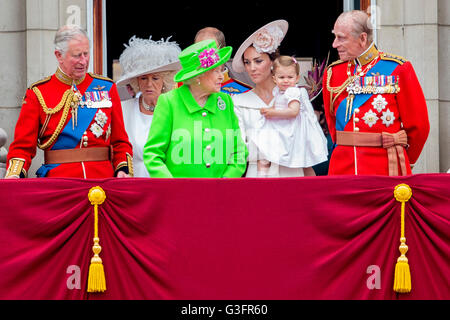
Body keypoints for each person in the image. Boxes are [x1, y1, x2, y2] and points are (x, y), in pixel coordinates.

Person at [5, 25, 133, 179]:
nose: (84, 61)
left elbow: (120, 142)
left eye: (86, 54)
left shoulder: (107, 88)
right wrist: (14, 175)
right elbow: (22, 147)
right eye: (77, 55)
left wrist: (123, 170)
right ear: (59, 56)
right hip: (59, 182)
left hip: (102, 179)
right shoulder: (38, 93)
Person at [323, 10, 430, 176]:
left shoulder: (397, 69)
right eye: (335, 36)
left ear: (363, 38)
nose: (334, 44)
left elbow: (418, 127)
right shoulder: (333, 73)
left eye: (341, 38)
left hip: (385, 167)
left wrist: (405, 159)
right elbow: (333, 125)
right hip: (342, 168)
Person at [143, 39, 248, 178]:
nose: (221, 76)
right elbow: (153, 155)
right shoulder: (169, 102)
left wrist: (225, 182)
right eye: (215, 71)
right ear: (198, 76)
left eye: (222, 69)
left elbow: (239, 152)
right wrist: (172, 187)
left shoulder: (225, 102)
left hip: (220, 194)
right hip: (180, 195)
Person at [232, 19, 316, 177]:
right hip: (258, 176)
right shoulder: (238, 102)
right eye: (247, 62)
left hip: (292, 175)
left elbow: (307, 145)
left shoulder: (295, 97)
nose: (252, 68)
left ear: (272, 62)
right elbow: (240, 149)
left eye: (258, 61)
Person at [252, 56, 328, 177]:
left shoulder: (293, 91)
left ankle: (313, 184)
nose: (286, 81)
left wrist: (273, 113)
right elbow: (278, 106)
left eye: (290, 77)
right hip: (286, 127)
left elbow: (294, 111)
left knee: (304, 163)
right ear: (274, 78)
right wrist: (269, 110)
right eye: (281, 77)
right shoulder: (278, 91)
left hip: (296, 131)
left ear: (297, 78)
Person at [116, 36, 181, 177]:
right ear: (136, 81)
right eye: (143, 78)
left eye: (155, 78)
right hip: (134, 187)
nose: (149, 84)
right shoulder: (123, 110)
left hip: (167, 186)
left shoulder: (177, 109)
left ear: (165, 80)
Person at [194, 27, 253, 95]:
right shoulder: (182, 86)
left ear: (223, 53)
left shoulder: (244, 89)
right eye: (198, 51)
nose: (203, 57)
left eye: (209, 52)